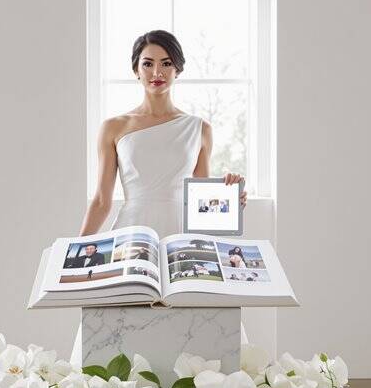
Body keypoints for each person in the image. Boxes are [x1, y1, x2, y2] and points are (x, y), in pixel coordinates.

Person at [79, 30, 247, 237]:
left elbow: (200, 204)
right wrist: (73, 252)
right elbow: (101, 202)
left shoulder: (200, 129)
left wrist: (230, 198)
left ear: (177, 70)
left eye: (166, 64)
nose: (157, 72)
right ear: (136, 70)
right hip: (131, 232)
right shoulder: (113, 127)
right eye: (148, 64)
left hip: (180, 234)